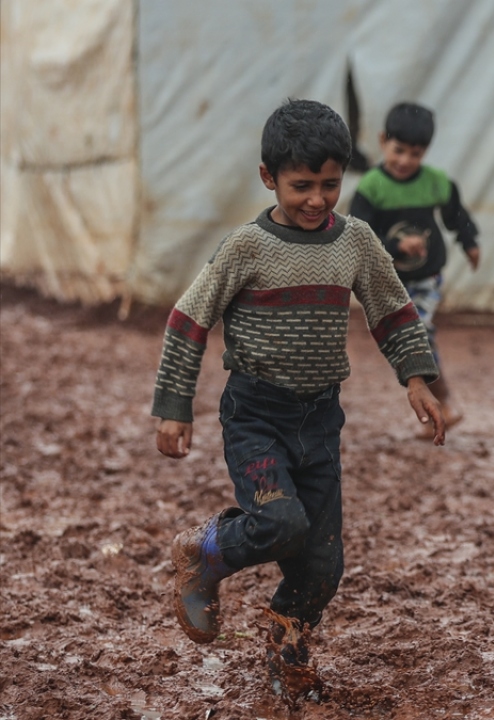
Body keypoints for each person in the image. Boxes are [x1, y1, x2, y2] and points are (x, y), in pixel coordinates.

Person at [153, 99, 446, 699]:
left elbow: (392, 308)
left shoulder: (356, 242)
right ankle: (204, 551)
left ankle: (288, 654)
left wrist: (417, 376)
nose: (316, 199)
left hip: (320, 418)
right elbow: (189, 318)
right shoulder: (246, 248)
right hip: (256, 414)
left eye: (330, 185)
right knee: (280, 522)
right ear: (269, 178)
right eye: (301, 185)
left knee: (323, 563)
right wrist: (174, 404)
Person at [349, 102, 480, 438]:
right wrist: (395, 248)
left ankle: (446, 403)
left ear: (426, 152)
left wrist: (470, 242)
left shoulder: (436, 182)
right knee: (407, 339)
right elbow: (359, 235)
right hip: (390, 281)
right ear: (382, 141)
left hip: (427, 276)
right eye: (399, 150)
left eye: (416, 153)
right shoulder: (371, 187)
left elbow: (457, 215)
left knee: (417, 331)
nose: (406, 160)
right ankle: (440, 406)